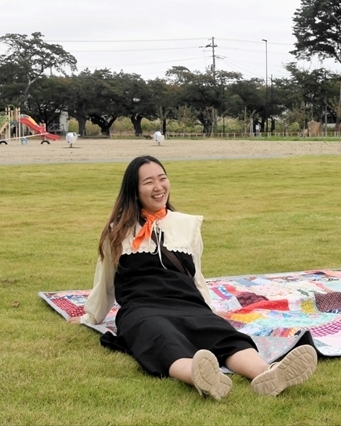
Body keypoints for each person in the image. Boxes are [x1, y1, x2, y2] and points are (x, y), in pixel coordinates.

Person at [71, 155, 317, 398]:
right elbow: (105, 282)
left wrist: (208, 310)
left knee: (224, 335)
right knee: (161, 339)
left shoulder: (188, 225)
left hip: (188, 304)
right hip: (142, 309)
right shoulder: (117, 232)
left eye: (162, 178)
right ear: (134, 191)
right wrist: (91, 316)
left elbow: (196, 274)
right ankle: (199, 376)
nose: (158, 187)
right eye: (148, 182)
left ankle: (267, 374)